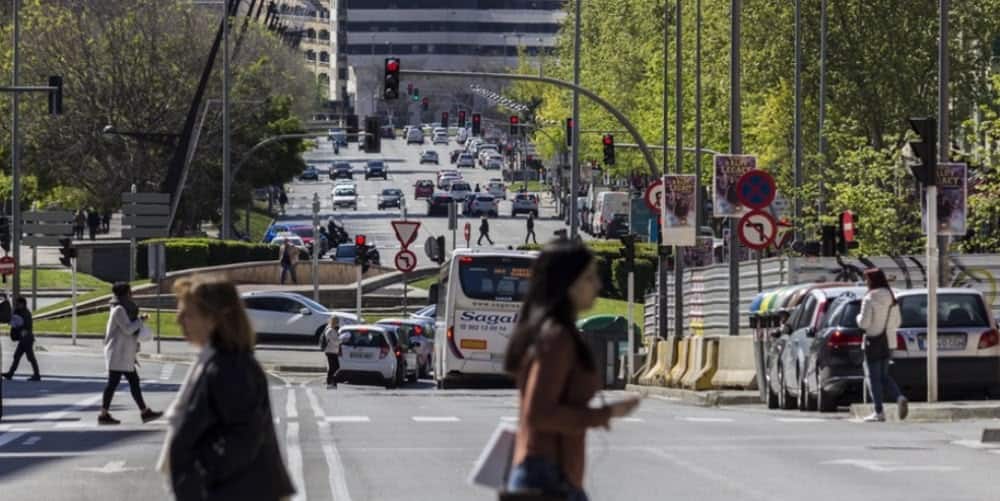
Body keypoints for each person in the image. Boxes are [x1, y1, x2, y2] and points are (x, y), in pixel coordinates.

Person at [504, 242, 639, 500]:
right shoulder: (557, 338)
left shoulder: (551, 333)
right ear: (569, 284)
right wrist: (607, 413)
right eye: (589, 277)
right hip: (549, 480)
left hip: (549, 475)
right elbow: (540, 414)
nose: (597, 286)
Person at [159, 278, 295, 501]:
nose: (178, 320)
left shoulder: (230, 368)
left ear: (212, 319)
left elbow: (244, 437)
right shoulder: (214, 362)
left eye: (187, 314)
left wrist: (199, 474)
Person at [99, 282, 162, 425]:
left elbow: (129, 331)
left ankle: (143, 412)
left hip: (123, 354)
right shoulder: (119, 309)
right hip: (117, 353)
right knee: (116, 383)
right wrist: (141, 320)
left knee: (128, 382)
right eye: (129, 292)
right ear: (125, 293)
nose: (131, 294)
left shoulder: (122, 309)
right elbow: (128, 330)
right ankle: (105, 414)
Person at [856, 268, 908, 422]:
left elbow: (864, 323)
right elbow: (898, 321)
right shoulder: (892, 297)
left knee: (873, 378)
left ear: (872, 281)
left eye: (867, 279)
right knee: (885, 376)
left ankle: (879, 411)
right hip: (889, 342)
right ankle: (899, 396)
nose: (866, 282)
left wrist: (857, 317)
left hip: (873, 341)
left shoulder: (869, 298)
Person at [3, 296, 40, 381]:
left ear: (22, 304)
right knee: (17, 356)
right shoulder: (18, 312)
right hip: (23, 339)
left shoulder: (26, 313)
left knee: (30, 357)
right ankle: (10, 373)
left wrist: (18, 327)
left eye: (18, 304)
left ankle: (37, 374)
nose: (16, 305)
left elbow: (27, 326)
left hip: (27, 339)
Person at [320, 315, 342, 388]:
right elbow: (334, 341)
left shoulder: (333, 329)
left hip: (333, 351)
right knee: (334, 367)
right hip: (330, 351)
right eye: (337, 321)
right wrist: (341, 340)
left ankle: (331, 381)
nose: (338, 323)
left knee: (334, 367)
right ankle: (330, 382)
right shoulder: (330, 330)